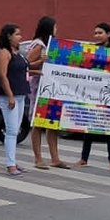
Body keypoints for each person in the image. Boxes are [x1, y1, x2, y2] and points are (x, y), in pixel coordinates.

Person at [26, 16, 70, 170]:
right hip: (39, 89)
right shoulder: (38, 45)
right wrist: (40, 62)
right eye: (55, 27)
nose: (57, 30)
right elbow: (27, 66)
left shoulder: (51, 45)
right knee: (38, 124)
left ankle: (55, 158)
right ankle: (38, 158)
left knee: (52, 123)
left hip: (52, 88)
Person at [77, 23, 110, 168]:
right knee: (89, 126)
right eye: (95, 33)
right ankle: (84, 158)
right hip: (92, 93)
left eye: (100, 33)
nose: (97, 36)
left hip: (109, 94)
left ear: (108, 34)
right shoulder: (91, 49)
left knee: (109, 127)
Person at [0, 24, 27, 176]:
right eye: (17, 34)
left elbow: (23, 69)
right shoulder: (4, 52)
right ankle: (10, 164)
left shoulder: (17, 52)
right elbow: (2, 75)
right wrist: (10, 95)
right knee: (12, 131)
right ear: (9, 36)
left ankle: (12, 160)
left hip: (21, 94)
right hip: (9, 96)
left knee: (16, 128)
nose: (20, 37)